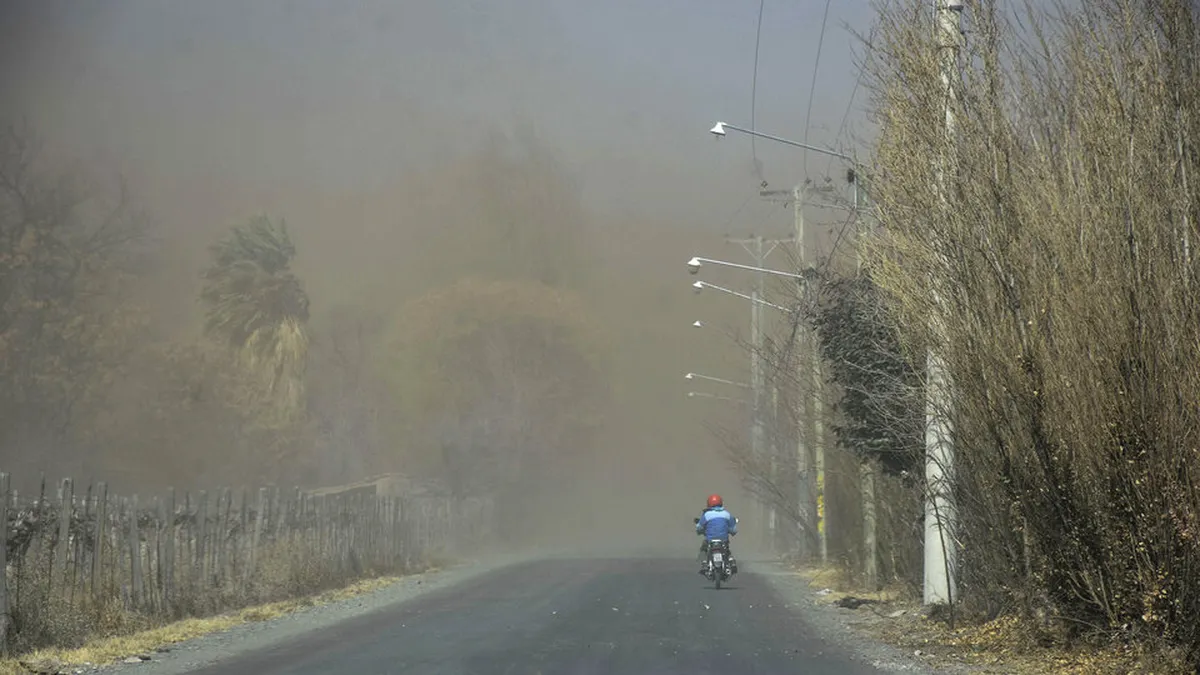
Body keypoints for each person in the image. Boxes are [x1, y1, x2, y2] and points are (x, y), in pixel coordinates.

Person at [695, 493, 738, 574]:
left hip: (710, 540)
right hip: (723, 539)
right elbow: (734, 529)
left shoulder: (706, 515)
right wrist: (731, 531)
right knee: (727, 550)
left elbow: (699, 527)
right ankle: (732, 561)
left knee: (704, 549)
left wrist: (700, 530)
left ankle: (704, 563)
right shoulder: (727, 514)